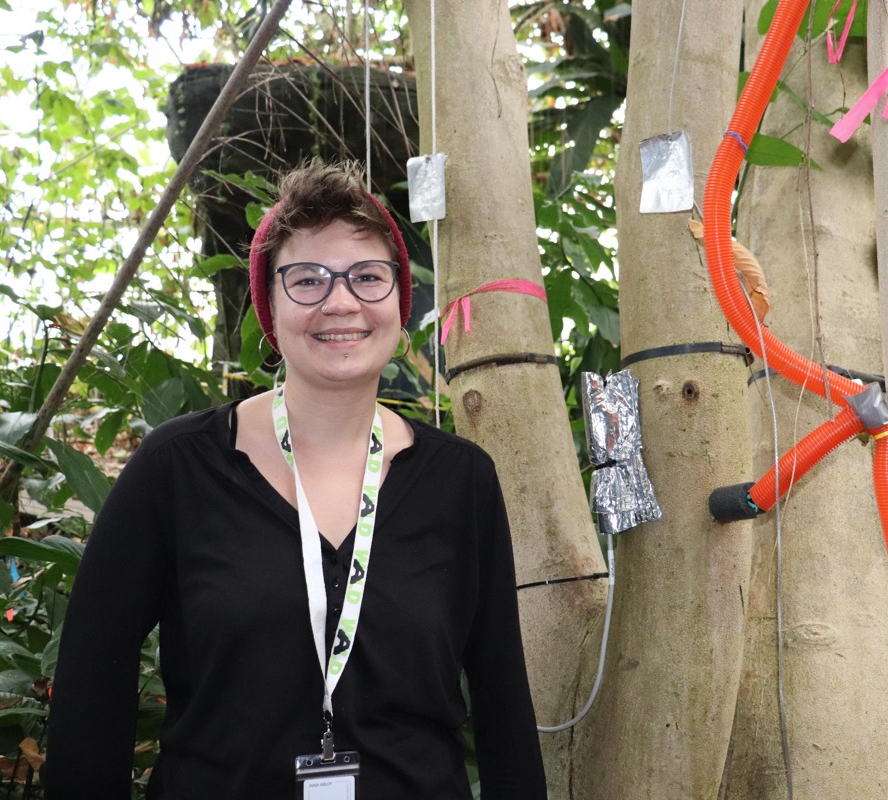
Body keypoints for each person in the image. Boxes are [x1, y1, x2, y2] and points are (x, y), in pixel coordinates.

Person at [46, 161, 547, 799]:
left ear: (398, 300)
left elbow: (502, 694)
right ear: (272, 309)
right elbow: (93, 680)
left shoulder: (461, 480)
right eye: (307, 279)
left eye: (368, 277)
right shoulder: (178, 468)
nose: (341, 301)